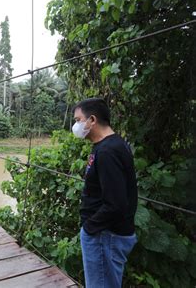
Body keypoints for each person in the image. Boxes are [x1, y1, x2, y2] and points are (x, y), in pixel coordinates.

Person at [73, 98, 138, 288]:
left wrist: (89, 229)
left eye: (78, 120)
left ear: (92, 120)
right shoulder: (110, 145)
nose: (76, 126)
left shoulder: (108, 151)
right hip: (105, 235)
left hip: (105, 236)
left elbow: (116, 204)